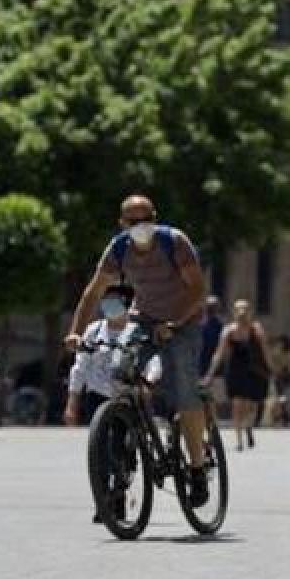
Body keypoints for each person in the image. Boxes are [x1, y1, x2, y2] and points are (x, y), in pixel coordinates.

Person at [64, 195, 211, 506]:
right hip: (143, 319)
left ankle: (197, 467)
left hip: (183, 320)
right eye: (133, 221)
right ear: (122, 224)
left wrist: (174, 322)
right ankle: (133, 434)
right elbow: (93, 293)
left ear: (154, 218)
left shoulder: (174, 242)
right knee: (120, 371)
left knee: (184, 388)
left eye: (146, 219)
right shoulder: (118, 249)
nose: (140, 226)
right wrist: (75, 331)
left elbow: (198, 289)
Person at [203, 299, 273, 451]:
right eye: (239, 309)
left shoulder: (256, 329)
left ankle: (248, 425)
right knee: (237, 405)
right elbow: (219, 353)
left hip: (254, 371)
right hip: (236, 370)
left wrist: (270, 367)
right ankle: (239, 440)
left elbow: (265, 350)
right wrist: (210, 373)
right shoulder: (228, 331)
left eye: (245, 309)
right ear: (234, 312)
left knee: (252, 405)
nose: (242, 313)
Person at [63, 284, 137, 427]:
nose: (109, 306)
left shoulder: (136, 331)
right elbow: (80, 368)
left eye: (114, 301)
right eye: (106, 301)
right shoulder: (94, 330)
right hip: (97, 396)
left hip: (127, 397)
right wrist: (72, 404)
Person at [266, 335, 290, 427]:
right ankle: (279, 417)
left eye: (280, 343)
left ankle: (284, 417)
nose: (278, 345)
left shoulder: (289, 353)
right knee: (278, 399)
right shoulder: (274, 352)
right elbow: (271, 363)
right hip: (277, 377)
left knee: (284, 399)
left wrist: (286, 374)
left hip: (287, 378)